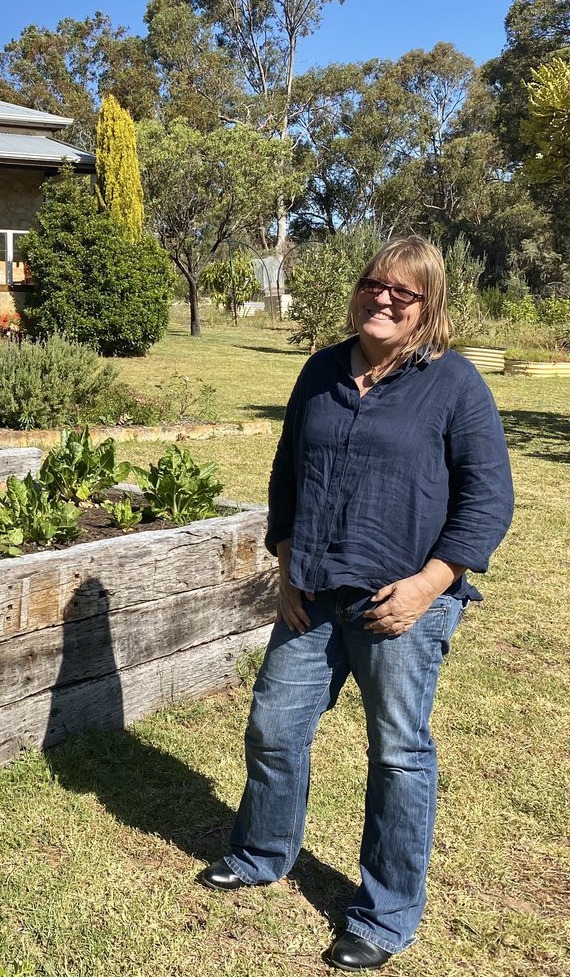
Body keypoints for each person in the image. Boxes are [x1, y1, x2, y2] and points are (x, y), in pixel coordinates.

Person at [197, 236, 514, 972]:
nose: (383, 298)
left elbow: (488, 500)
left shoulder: (454, 384)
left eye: (403, 293)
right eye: (375, 284)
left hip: (401, 602)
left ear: (427, 306)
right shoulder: (320, 371)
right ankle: (262, 852)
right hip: (313, 590)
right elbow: (287, 475)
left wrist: (429, 585)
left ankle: (384, 914)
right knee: (274, 725)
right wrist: (285, 566)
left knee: (399, 753)